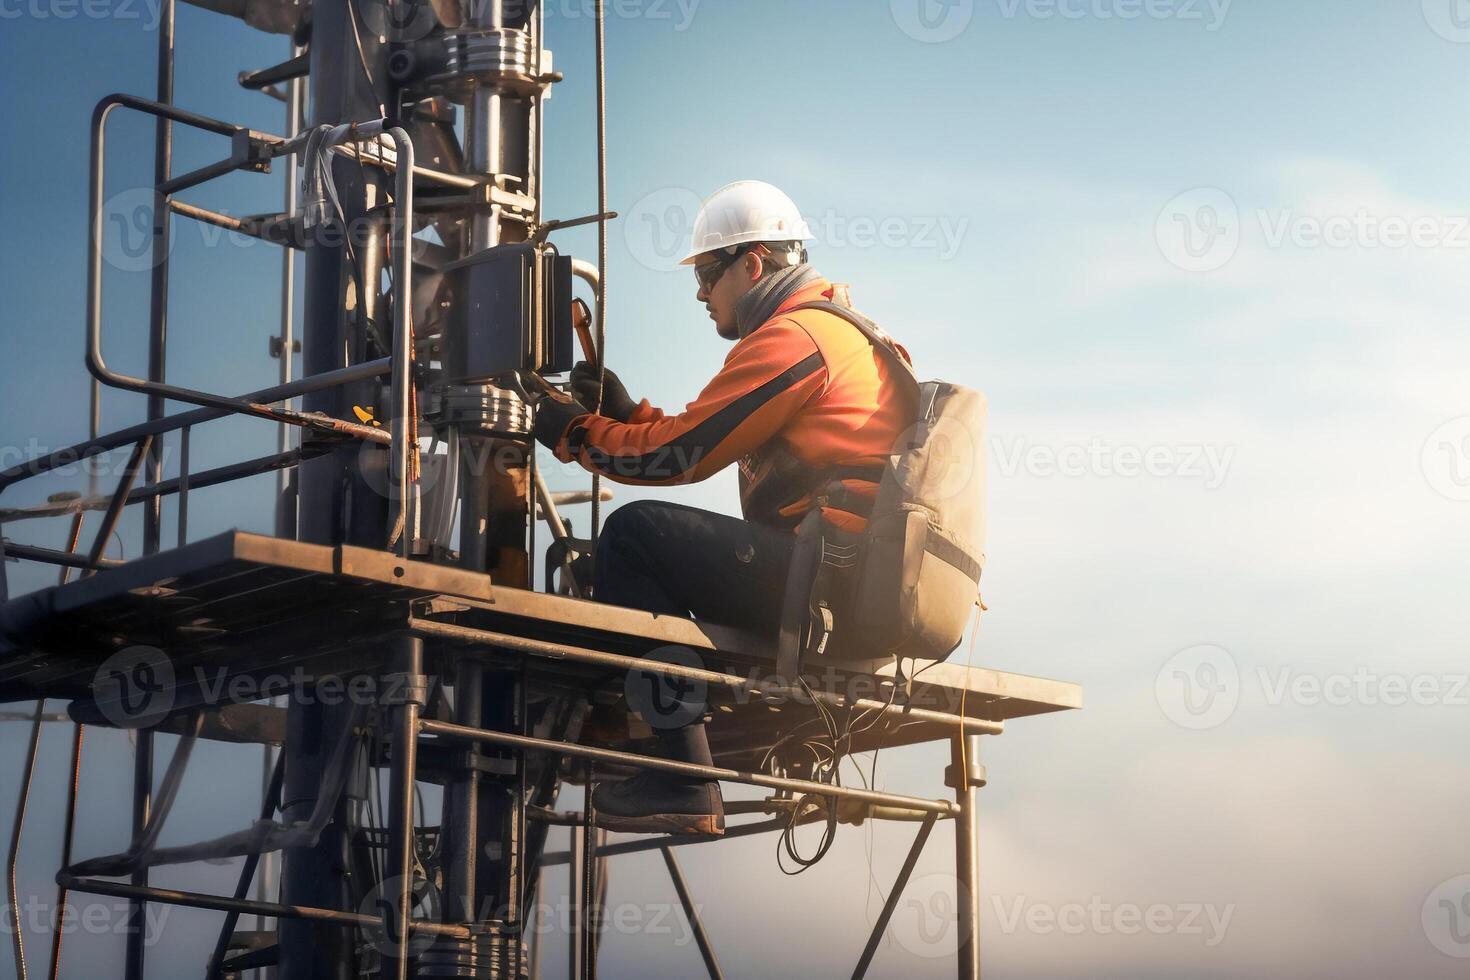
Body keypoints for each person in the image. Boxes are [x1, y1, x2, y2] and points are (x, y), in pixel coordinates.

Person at [532, 180, 916, 835]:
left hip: (824, 583)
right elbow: (697, 432)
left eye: (708, 275)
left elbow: (680, 457)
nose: (700, 293)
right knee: (627, 554)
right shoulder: (839, 331)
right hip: (845, 578)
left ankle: (681, 774)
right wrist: (627, 417)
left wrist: (574, 432)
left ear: (753, 264)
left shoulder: (799, 336)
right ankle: (668, 742)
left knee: (632, 537)